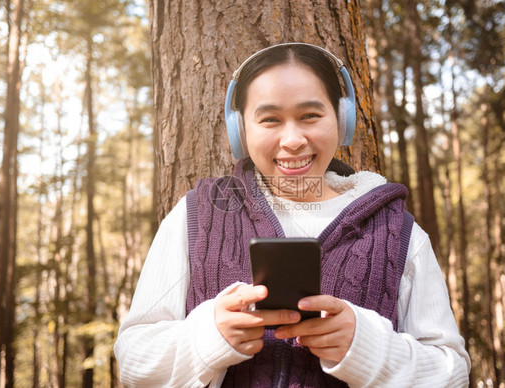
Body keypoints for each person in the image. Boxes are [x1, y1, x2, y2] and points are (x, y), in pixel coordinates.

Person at [114, 43, 470, 387]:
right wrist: (206, 337)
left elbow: (451, 373)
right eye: (270, 119)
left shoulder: (400, 230)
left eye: (310, 116)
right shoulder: (194, 213)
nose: (292, 139)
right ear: (241, 130)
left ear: (342, 119)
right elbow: (133, 361)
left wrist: (369, 349)